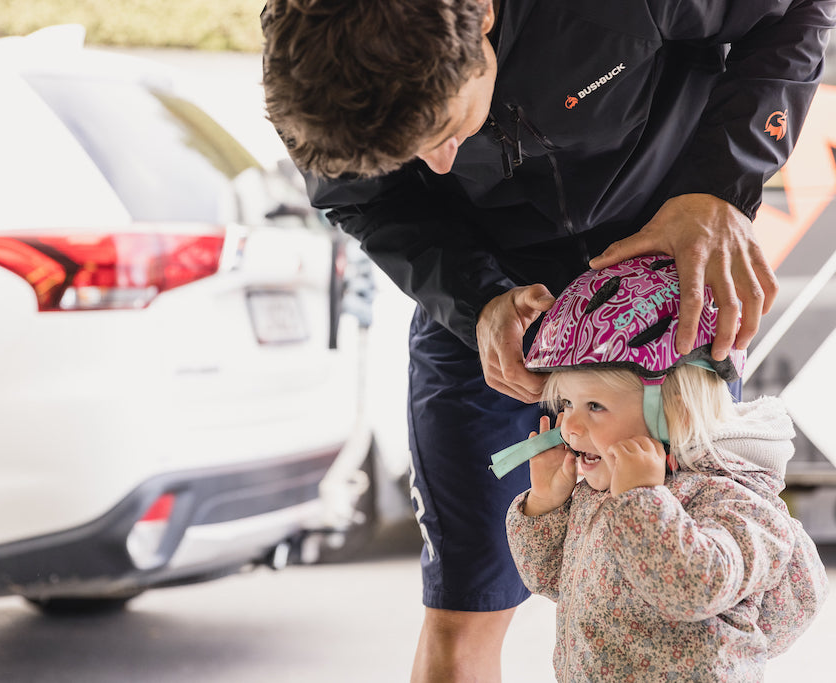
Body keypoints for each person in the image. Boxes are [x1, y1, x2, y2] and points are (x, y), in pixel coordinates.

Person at [260, 0, 836, 679]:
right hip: (483, 299)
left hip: (660, 299)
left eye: (444, 130)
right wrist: (474, 298)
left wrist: (720, 185)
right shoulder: (321, 66)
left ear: (478, 20)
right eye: (410, 154)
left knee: (681, 612)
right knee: (459, 614)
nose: (442, 165)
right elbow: (362, 199)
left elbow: (799, 10)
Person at [502, 255, 828, 681]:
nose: (569, 426)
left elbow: (692, 589)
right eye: (566, 404)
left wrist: (641, 501)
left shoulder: (733, 499)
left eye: (595, 406)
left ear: (674, 411)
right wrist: (546, 503)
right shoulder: (606, 493)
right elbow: (552, 580)